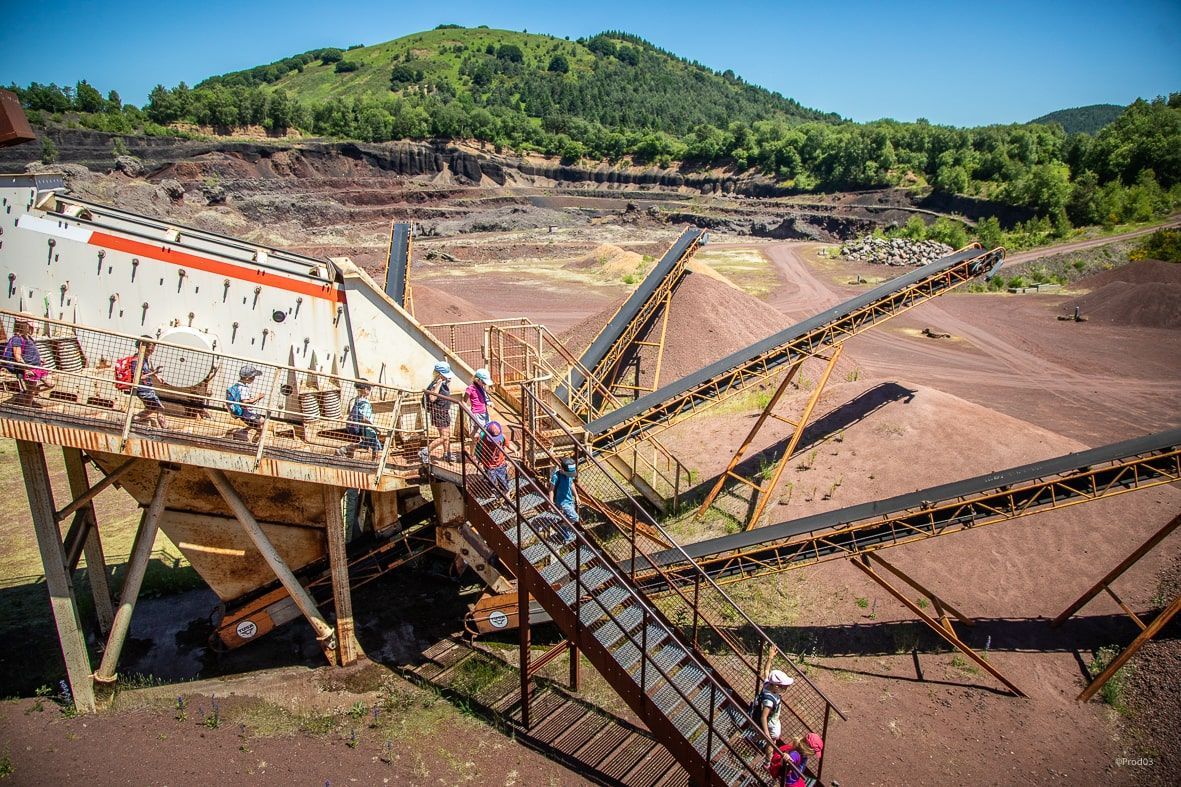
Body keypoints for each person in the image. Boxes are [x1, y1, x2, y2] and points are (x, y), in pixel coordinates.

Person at [2, 315, 54, 406]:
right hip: (28, 369)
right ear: (24, 326)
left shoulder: (29, 338)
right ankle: (27, 410)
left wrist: (39, 359)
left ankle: (25, 394)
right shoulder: (17, 339)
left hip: (37, 366)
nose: (32, 328)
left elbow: (29, 351)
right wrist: (26, 369)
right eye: (30, 326)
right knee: (30, 394)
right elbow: (17, 356)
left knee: (50, 384)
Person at [750, 669, 795, 761]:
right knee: (772, 742)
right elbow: (764, 717)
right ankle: (768, 761)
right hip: (770, 723)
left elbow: (766, 671)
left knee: (765, 737)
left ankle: (752, 739)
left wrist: (770, 658)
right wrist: (767, 734)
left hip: (772, 720)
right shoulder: (769, 701)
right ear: (776, 686)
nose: (786, 688)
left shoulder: (767, 684)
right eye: (784, 686)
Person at [129, 336, 167, 429]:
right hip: (143, 389)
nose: (150, 353)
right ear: (142, 347)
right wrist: (154, 373)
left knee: (152, 408)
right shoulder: (136, 360)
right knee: (159, 408)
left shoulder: (145, 358)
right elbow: (138, 377)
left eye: (152, 351)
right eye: (149, 350)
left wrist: (157, 376)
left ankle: (132, 420)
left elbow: (147, 371)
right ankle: (165, 428)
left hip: (148, 389)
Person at [420, 361, 454, 463]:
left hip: (444, 411)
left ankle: (447, 454)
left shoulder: (442, 381)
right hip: (439, 413)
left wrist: (446, 382)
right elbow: (432, 397)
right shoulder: (436, 383)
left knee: (447, 435)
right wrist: (439, 383)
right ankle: (425, 451)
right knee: (444, 437)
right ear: (439, 374)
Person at [338, 380, 380, 459]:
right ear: (365, 389)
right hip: (369, 429)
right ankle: (374, 464)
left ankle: (347, 448)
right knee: (375, 446)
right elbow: (364, 418)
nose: (370, 391)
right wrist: (375, 428)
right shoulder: (365, 403)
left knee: (366, 444)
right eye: (369, 389)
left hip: (363, 429)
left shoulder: (357, 399)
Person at [226, 365, 265, 439]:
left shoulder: (238, 386)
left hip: (244, 413)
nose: (254, 379)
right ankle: (254, 443)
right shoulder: (243, 388)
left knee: (259, 427)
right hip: (247, 414)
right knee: (263, 422)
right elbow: (245, 402)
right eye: (253, 377)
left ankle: (244, 433)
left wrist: (257, 399)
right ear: (247, 378)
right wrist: (257, 397)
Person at [474, 420, 512, 493]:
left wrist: (515, 451)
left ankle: (505, 492)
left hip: (500, 464)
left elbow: (508, 444)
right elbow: (477, 443)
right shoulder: (482, 437)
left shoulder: (502, 437)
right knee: (492, 482)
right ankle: (494, 490)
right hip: (488, 465)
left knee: (504, 483)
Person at [548, 457, 580, 544]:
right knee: (575, 517)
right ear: (561, 469)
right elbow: (551, 490)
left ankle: (564, 534)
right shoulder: (556, 476)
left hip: (570, 501)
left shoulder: (569, 475)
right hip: (562, 502)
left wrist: (576, 496)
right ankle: (561, 526)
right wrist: (551, 503)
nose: (570, 475)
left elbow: (572, 484)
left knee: (569, 518)